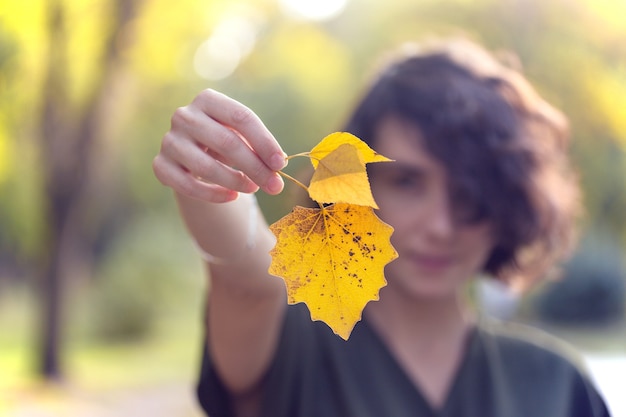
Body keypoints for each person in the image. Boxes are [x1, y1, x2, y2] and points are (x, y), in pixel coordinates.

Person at [152, 38, 611, 417]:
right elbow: (246, 281)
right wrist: (203, 173)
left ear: (506, 205)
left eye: (469, 193)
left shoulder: (556, 387)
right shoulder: (292, 343)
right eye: (408, 182)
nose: (440, 225)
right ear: (352, 187)